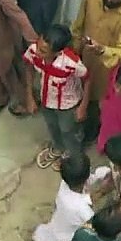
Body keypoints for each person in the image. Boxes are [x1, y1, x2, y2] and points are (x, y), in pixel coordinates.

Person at [23, 25, 88, 167]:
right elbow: (29, 66)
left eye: (43, 51)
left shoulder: (72, 63)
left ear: (58, 53)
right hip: (47, 100)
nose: (38, 52)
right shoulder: (34, 50)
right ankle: (58, 148)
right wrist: (29, 96)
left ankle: (72, 155)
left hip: (68, 104)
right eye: (39, 46)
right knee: (52, 125)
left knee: (68, 130)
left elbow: (88, 79)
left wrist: (83, 106)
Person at [31, 151, 94, 241]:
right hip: (70, 239)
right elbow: (91, 226)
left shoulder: (65, 185)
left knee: (52, 231)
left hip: (60, 222)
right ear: (85, 179)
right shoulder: (82, 209)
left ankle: (38, 236)